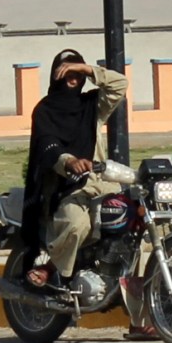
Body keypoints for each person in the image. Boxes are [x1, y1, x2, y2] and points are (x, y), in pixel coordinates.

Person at [23, 48, 148, 328]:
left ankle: (140, 320)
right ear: (55, 73)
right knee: (78, 224)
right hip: (65, 186)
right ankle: (49, 267)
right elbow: (47, 146)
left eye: (75, 70)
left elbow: (120, 84)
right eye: (65, 68)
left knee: (135, 233)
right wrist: (69, 161)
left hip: (101, 183)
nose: (71, 75)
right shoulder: (44, 110)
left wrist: (88, 69)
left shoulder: (92, 106)